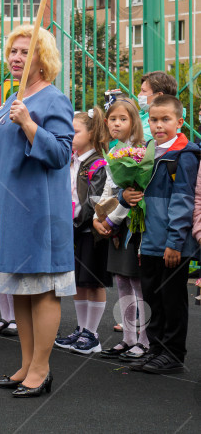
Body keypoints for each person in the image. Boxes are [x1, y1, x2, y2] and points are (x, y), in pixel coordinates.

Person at [0, 25, 74, 398]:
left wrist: (29, 124)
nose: (14, 57)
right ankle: (27, 364)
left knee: (43, 289)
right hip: (5, 211)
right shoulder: (10, 98)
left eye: (23, 51)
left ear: (42, 59)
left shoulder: (52, 100)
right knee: (22, 292)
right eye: (12, 51)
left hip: (36, 214)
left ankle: (41, 370)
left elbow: (62, 154)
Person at [124, 95, 200, 374]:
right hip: (148, 240)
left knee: (172, 299)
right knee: (152, 298)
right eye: (154, 120)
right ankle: (155, 348)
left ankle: (173, 353)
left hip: (170, 244)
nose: (158, 125)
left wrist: (175, 242)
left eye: (165, 119)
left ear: (179, 122)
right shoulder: (147, 151)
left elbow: (183, 201)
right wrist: (125, 194)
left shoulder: (184, 154)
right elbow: (133, 191)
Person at [93, 97, 150, 361]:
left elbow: (135, 192)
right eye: (113, 119)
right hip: (117, 222)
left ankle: (144, 339)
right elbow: (109, 189)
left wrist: (112, 219)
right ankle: (128, 338)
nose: (117, 123)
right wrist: (100, 217)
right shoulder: (115, 150)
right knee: (122, 281)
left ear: (134, 122)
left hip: (132, 224)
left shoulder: (143, 150)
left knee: (137, 282)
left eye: (123, 119)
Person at [55, 107, 111, 355]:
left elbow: (94, 199)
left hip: (89, 230)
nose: (69, 135)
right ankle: (81, 328)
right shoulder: (72, 160)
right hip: (74, 228)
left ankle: (93, 333)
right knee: (79, 281)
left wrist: (76, 219)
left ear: (91, 133)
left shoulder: (97, 164)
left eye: (74, 131)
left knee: (94, 281)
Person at [137, 71, 178, 142]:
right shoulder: (142, 114)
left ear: (159, 95)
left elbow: (137, 141)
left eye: (144, 91)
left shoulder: (172, 117)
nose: (139, 95)